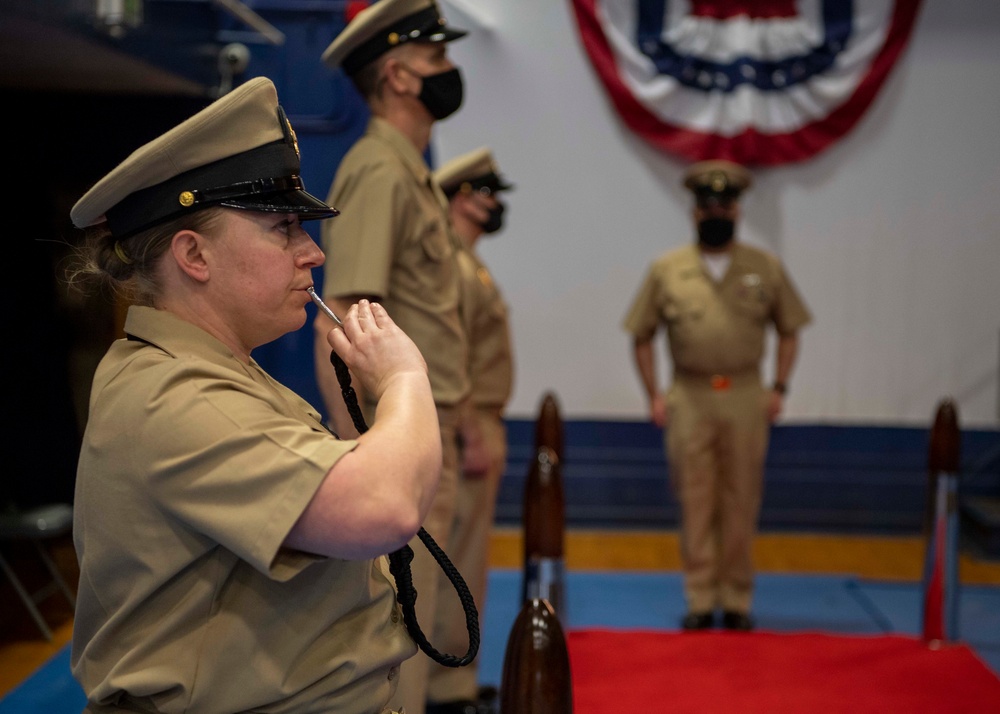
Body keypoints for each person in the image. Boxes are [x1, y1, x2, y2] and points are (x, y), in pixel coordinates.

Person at [68, 76, 442, 714]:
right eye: (284, 228)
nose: (313, 253)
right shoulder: (176, 395)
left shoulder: (216, 370)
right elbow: (383, 507)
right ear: (194, 254)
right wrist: (405, 378)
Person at [315, 3, 486, 713]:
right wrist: (363, 450)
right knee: (401, 614)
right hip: (396, 432)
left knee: (424, 603)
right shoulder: (380, 171)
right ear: (398, 74)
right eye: (438, 59)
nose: (450, 71)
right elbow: (344, 322)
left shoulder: (408, 171)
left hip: (425, 420)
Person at [622, 159, 811, 632]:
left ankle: (737, 597)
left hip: (746, 393)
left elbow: (791, 328)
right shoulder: (668, 270)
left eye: (725, 204)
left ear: (737, 211)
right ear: (694, 212)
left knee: (742, 498)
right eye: (707, 205)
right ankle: (701, 596)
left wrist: (779, 387)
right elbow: (640, 333)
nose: (716, 212)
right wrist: (653, 394)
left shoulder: (764, 268)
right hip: (690, 394)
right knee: (695, 498)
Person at [426, 147, 516, 714]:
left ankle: (454, 676)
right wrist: (471, 430)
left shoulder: (469, 262)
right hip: (468, 419)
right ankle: (445, 685)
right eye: (488, 193)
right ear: (463, 198)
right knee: (456, 553)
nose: (496, 204)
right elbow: (450, 354)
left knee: (467, 552)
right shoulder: (453, 266)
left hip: (478, 416)